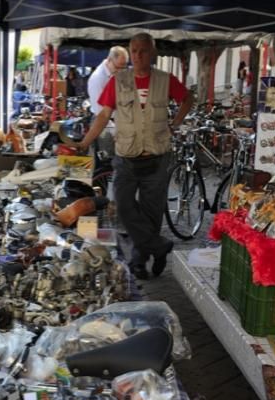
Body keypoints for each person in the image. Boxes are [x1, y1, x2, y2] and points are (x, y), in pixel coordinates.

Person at [77, 32, 193, 280]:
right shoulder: (119, 81)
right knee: (123, 206)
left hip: (157, 157)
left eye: (144, 50)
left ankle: (139, 261)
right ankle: (159, 246)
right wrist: (85, 142)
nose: (139, 55)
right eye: (135, 51)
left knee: (151, 213)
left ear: (152, 53)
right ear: (130, 53)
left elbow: (188, 99)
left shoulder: (165, 80)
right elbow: (103, 115)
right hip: (126, 158)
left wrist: (175, 123)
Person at [87, 46, 129, 115]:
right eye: (117, 67)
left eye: (123, 68)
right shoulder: (98, 79)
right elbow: (99, 111)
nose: (120, 71)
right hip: (106, 120)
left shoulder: (114, 72)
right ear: (109, 60)